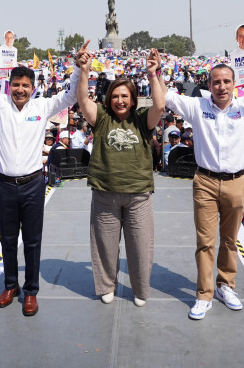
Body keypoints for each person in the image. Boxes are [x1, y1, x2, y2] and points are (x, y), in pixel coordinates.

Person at [0, 13, 80, 316]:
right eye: (16, 85)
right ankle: (10, 285)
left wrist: (79, 68)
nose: (21, 89)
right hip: (5, 185)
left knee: (33, 241)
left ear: (33, 88)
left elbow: (72, 94)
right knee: (8, 239)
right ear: (9, 86)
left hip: (34, 184)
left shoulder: (43, 106)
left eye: (26, 85)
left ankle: (31, 291)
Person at [161, 31, 244, 320]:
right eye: (216, 82)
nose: (221, 86)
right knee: (205, 241)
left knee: (230, 240)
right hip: (204, 181)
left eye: (226, 81)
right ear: (209, 84)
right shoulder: (197, 107)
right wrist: (156, 72)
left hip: (236, 182)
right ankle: (204, 294)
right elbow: (165, 97)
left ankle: (225, 285)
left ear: (234, 84)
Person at [75, 46, 164, 307]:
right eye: (115, 96)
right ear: (108, 99)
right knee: (104, 245)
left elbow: (160, 104)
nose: (120, 100)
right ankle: (106, 285)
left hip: (139, 195)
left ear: (134, 99)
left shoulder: (142, 120)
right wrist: (84, 71)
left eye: (125, 96)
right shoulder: (102, 118)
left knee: (140, 247)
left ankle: (140, 289)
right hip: (105, 194)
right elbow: (82, 101)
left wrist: (153, 74)